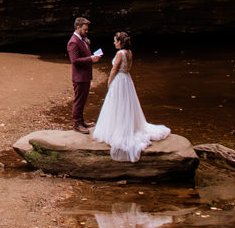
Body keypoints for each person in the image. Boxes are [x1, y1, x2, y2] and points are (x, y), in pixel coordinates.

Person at [91, 32, 170, 161]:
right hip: (127, 79)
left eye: (115, 41)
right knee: (127, 104)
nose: (114, 42)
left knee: (117, 104)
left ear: (120, 42)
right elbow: (129, 67)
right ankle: (128, 126)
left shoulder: (120, 53)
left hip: (119, 80)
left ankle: (118, 129)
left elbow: (114, 69)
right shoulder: (130, 53)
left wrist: (110, 81)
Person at [67, 17, 102, 133]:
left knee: (83, 99)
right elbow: (75, 61)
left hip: (85, 75)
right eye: (85, 29)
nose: (86, 31)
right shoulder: (73, 42)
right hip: (79, 77)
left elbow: (84, 54)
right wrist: (91, 59)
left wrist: (88, 47)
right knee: (79, 100)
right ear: (78, 28)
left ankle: (81, 121)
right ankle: (77, 124)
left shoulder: (82, 40)